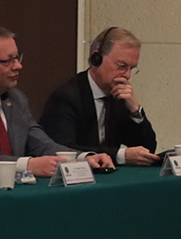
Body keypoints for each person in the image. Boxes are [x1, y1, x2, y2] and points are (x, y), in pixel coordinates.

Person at [0, 25, 113, 179]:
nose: (18, 66)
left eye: (17, 58)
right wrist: (28, 164)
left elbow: (41, 144)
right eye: (7, 61)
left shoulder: (16, 98)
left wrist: (83, 158)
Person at [40, 27, 162, 165]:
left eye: (131, 69)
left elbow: (147, 150)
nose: (127, 75)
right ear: (96, 58)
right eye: (122, 66)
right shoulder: (66, 97)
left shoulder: (118, 96)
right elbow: (64, 149)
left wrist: (135, 109)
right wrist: (120, 155)